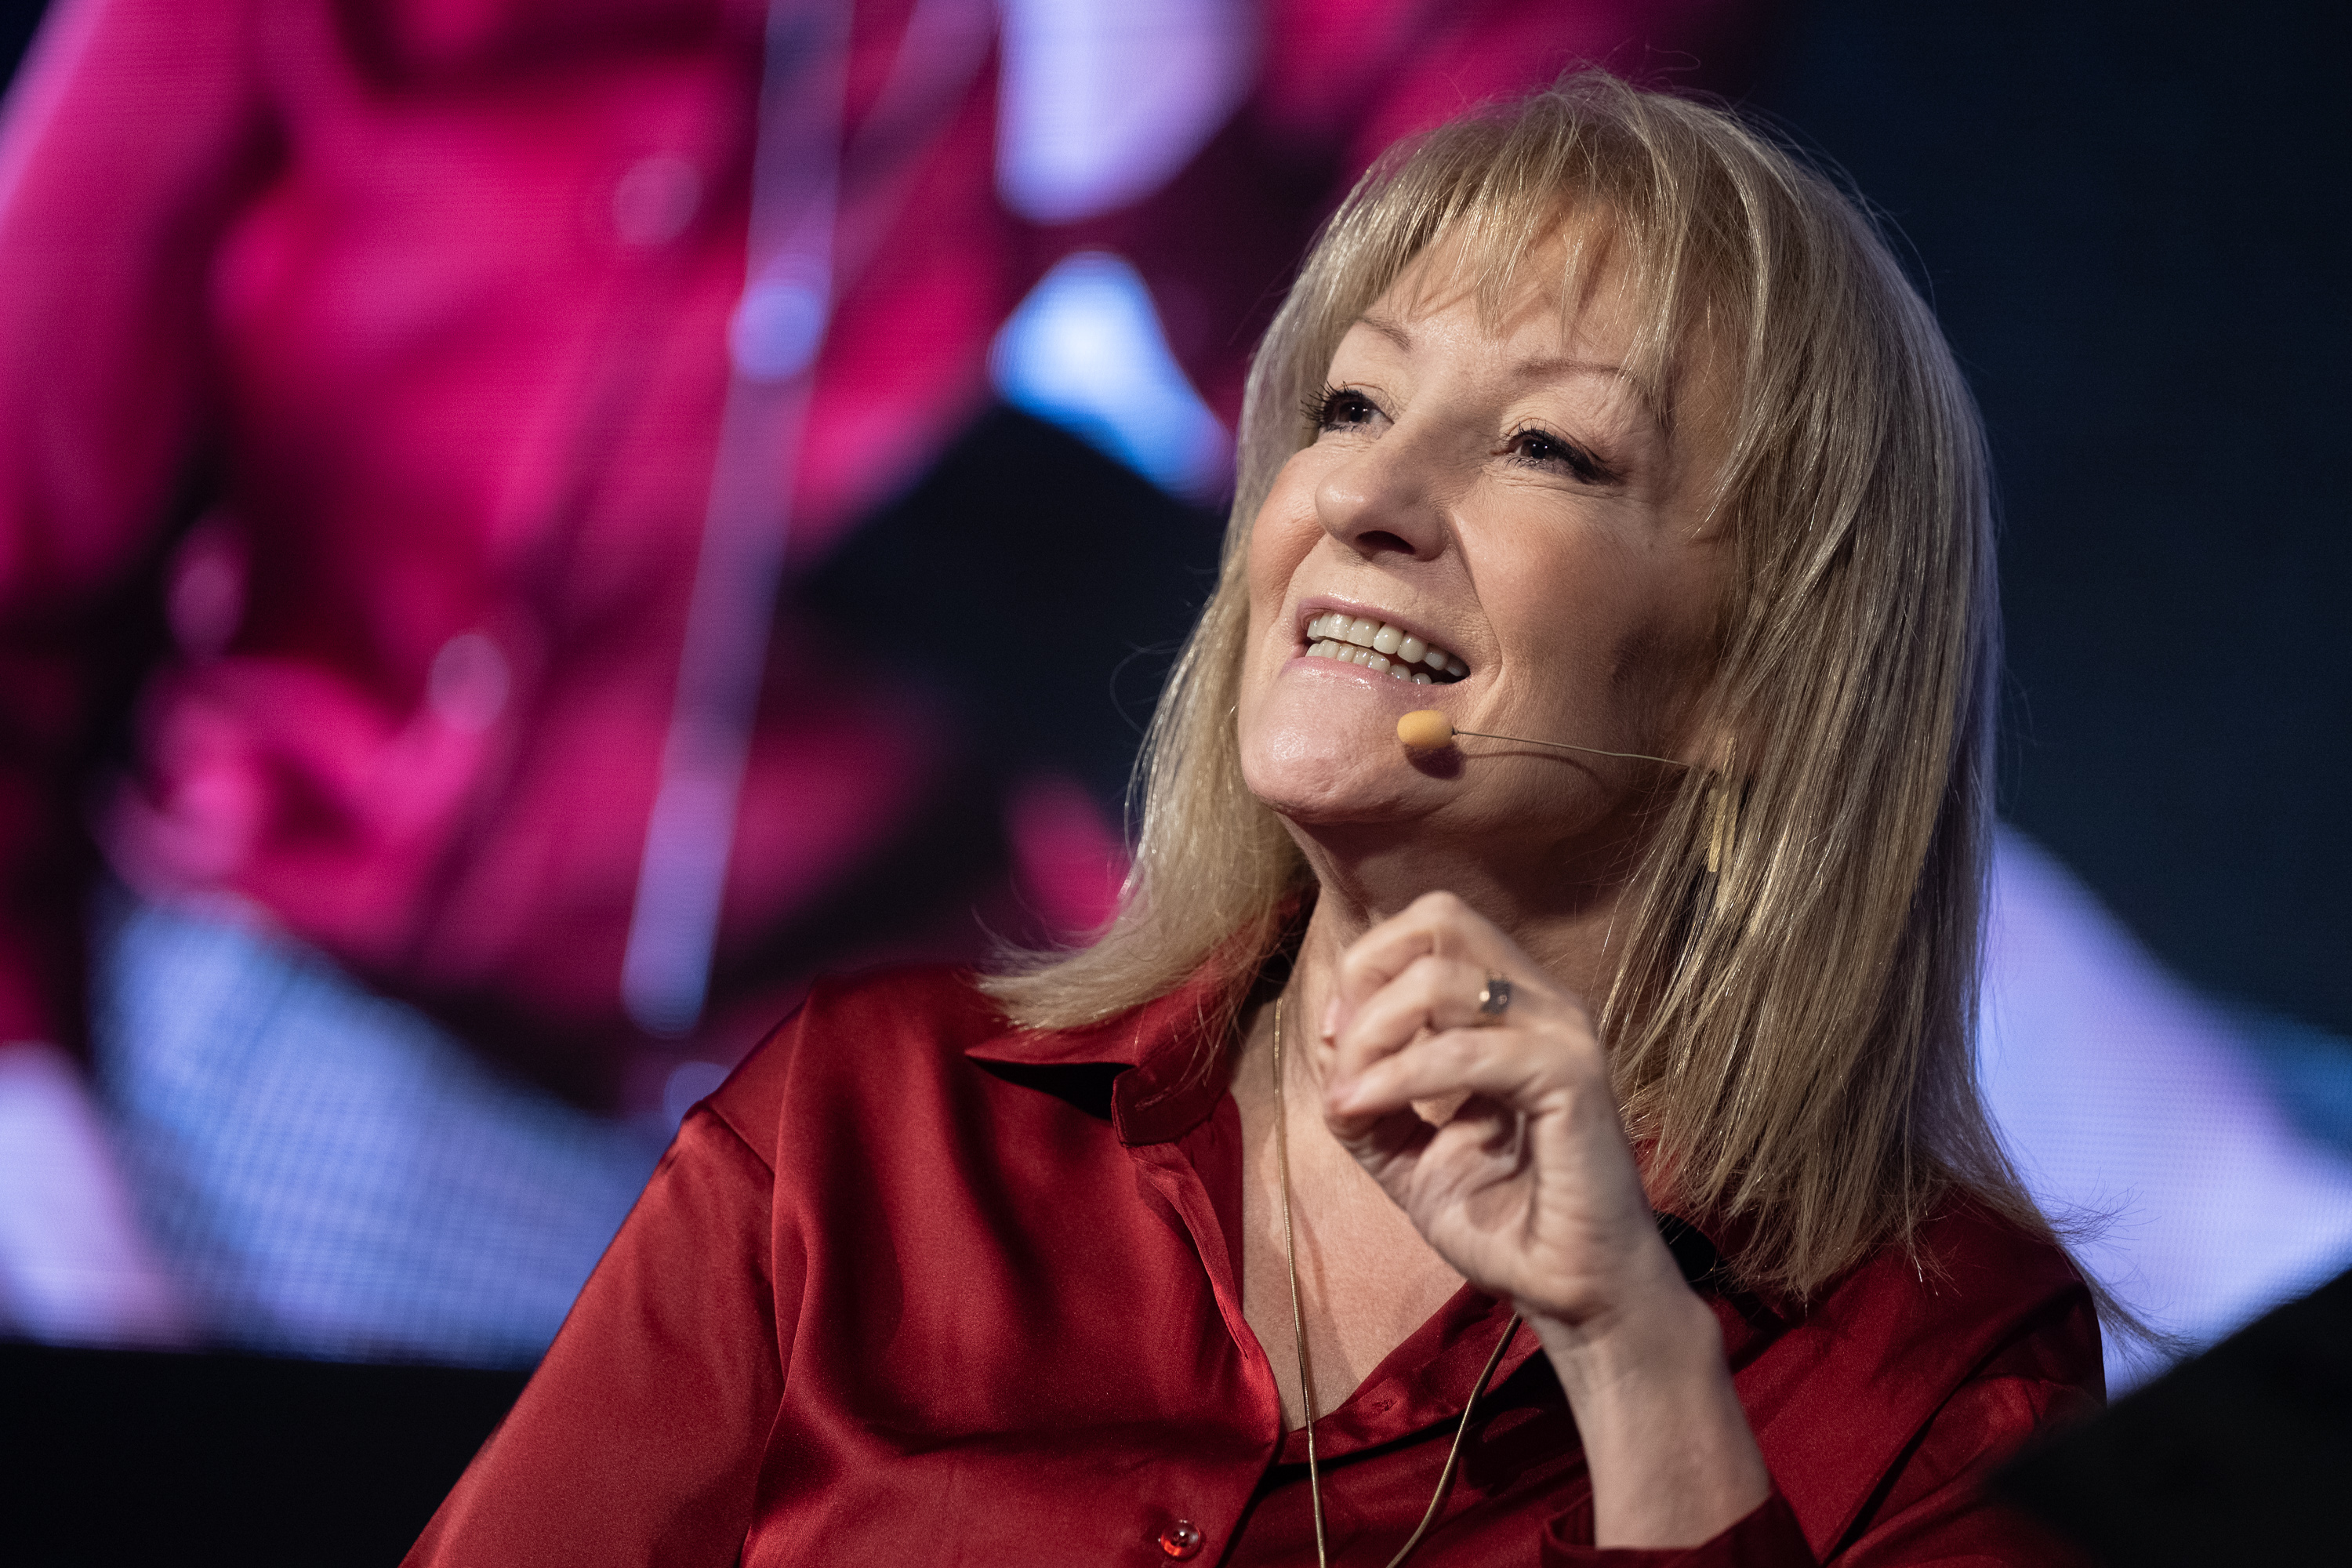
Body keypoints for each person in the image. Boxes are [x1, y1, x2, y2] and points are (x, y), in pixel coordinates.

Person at [407, 73, 2100, 1565]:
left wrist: (1638, 1360)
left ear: (1764, 674)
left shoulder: (1933, 1359)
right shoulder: (863, 1125)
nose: (1363, 494)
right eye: (1351, 406)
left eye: (1547, 446)